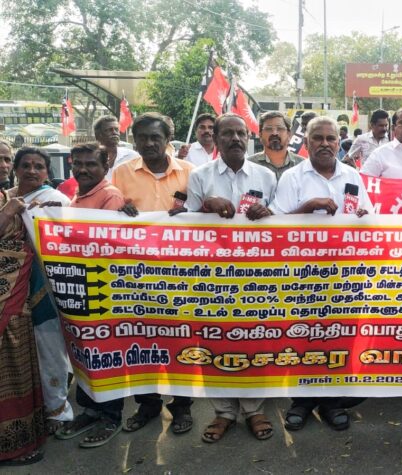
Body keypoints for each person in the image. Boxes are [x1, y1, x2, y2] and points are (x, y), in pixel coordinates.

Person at [178, 113, 276, 443]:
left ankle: (254, 409)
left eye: (240, 133)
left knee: (254, 339)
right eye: (228, 134)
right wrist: (205, 207)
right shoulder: (199, 176)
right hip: (212, 274)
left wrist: (268, 212)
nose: (235, 139)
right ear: (215, 139)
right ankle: (223, 412)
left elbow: (282, 223)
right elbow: (184, 224)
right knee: (214, 339)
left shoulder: (266, 176)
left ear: (249, 138)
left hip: (256, 274)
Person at [268, 116, 370, 431]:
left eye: (331, 138)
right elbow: (276, 226)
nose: (325, 144)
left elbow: (369, 217)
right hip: (304, 277)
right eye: (318, 138)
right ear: (307, 142)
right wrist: (308, 206)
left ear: (339, 143)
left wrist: (363, 216)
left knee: (339, 337)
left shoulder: (352, 175)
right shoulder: (292, 177)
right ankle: (301, 401)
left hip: (345, 274)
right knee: (303, 337)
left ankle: (332, 402)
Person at [112, 112, 196, 434]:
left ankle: (182, 406)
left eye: (155, 137)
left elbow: (203, 216)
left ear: (167, 141)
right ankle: (147, 404)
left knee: (182, 340)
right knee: (140, 340)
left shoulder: (190, 172)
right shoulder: (120, 174)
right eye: (142, 138)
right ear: (134, 141)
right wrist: (119, 211)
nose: (148, 143)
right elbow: (106, 216)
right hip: (137, 277)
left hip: (181, 276)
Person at [46, 143, 126, 448]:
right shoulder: (78, 195)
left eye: (90, 164)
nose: (82, 169)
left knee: (106, 352)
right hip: (81, 286)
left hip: (102, 289)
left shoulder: (110, 196)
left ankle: (111, 416)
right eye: (77, 163)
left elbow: (104, 245)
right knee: (84, 351)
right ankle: (91, 410)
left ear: (105, 166)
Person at [0, 149, 53, 466]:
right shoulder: (9, 203)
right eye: (1, 159)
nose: (4, 165)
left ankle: (21, 439)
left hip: (17, 303)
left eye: (6, 159)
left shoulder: (11, 197)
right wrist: (7, 214)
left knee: (17, 366)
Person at [247, 111, 303, 180]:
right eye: (269, 129)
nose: (274, 133)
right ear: (260, 135)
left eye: (280, 128)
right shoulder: (248, 165)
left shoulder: (302, 166)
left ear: (289, 135)